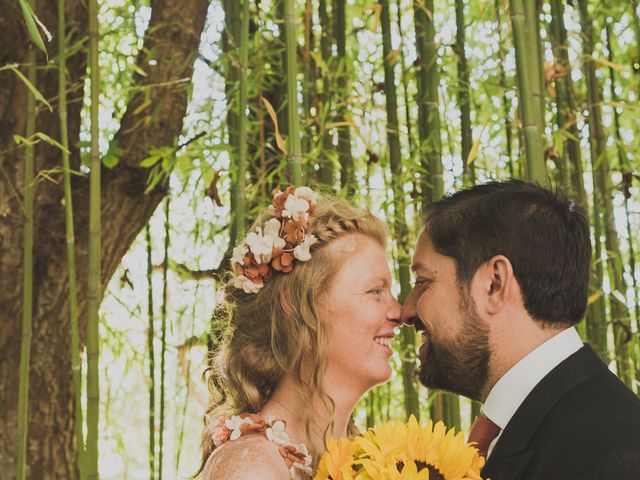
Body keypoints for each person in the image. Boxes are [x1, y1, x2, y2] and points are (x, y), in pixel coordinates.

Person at [401, 180, 640, 479]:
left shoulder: (614, 460)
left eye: (422, 282)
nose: (405, 311)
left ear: (494, 283)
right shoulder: (521, 431)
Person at [196, 186, 401, 479]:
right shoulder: (251, 468)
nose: (400, 312)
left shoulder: (368, 460)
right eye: (375, 291)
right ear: (297, 305)